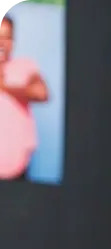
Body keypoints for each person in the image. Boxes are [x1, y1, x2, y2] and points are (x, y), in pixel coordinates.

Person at [0, 15, 49, 182]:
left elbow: (42, 93)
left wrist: (4, 86)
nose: (2, 43)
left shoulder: (25, 66)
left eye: (7, 37)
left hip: (17, 170)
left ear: (13, 41)